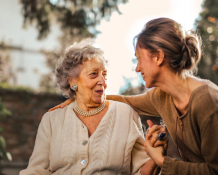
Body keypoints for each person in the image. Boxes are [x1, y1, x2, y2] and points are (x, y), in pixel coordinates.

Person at [50, 18, 218, 175]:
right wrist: (80, 98)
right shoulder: (162, 96)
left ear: (158, 57)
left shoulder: (208, 103)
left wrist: (161, 161)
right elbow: (126, 101)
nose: (137, 68)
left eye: (139, 59)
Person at [20, 39, 168, 175]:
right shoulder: (52, 120)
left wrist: (156, 157)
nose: (102, 81)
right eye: (94, 74)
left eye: (104, 74)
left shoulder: (126, 114)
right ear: (72, 81)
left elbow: (141, 171)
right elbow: (36, 171)